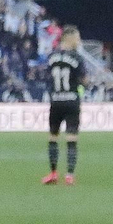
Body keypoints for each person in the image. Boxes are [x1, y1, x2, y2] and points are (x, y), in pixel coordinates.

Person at [42, 27, 85, 186]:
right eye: (77, 37)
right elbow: (84, 79)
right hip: (72, 100)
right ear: (69, 38)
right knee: (72, 137)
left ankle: (53, 173)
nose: (79, 41)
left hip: (56, 100)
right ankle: (69, 175)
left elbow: (49, 76)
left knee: (53, 136)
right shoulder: (77, 57)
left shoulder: (52, 56)